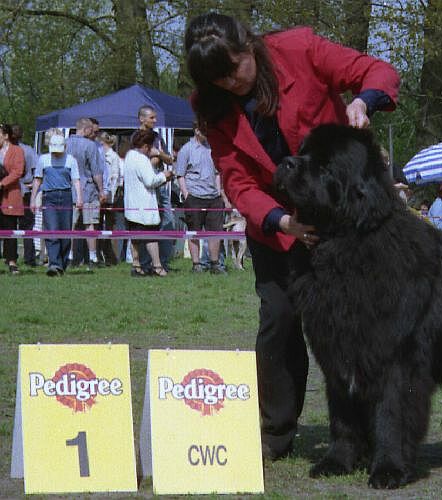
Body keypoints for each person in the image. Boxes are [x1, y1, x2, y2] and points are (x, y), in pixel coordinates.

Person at [185, 12, 399, 459]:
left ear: (249, 46)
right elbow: (237, 180)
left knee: (356, 322)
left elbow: (376, 70)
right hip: (278, 226)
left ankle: (368, 429)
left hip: (341, 217)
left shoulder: (299, 50)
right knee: (279, 317)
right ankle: (276, 431)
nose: (230, 83)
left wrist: (364, 101)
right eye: (217, 79)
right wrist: (282, 221)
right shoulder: (210, 104)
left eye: (234, 69)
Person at [176, 123, 227, 274]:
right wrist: (187, 195)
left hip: (213, 197)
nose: (207, 133)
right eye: (205, 131)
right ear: (196, 131)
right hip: (194, 197)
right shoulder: (186, 150)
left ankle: (215, 264)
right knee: (194, 232)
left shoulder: (213, 148)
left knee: (215, 232)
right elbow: (180, 175)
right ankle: (196, 264)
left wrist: (218, 192)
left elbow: (218, 173)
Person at [123, 129, 174, 277]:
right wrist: (164, 176)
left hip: (132, 205)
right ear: (146, 146)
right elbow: (150, 181)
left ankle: (137, 265)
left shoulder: (129, 156)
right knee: (151, 237)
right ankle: (157, 266)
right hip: (144, 206)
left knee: (136, 238)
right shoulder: (141, 159)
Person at [30, 134, 83, 276]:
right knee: (52, 231)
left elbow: (76, 180)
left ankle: (62, 263)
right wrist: (33, 199)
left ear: (64, 148)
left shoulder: (71, 160)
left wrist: (79, 198)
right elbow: (37, 179)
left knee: (65, 232)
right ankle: (54, 264)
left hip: (66, 196)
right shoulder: (43, 159)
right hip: (49, 197)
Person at [134, 105, 175, 271]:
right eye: (152, 118)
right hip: (143, 187)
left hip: (160, 186)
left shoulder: (158, 137)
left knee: (167, 221)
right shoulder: (134, 138)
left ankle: (162, 261)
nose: (155, 121)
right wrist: (152, 160)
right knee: (144, 223)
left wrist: (158, 154)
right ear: (142, 119)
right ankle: (144, 263)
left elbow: (169, 159)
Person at [65, 117, 104, 267]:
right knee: (90, 224)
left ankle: (69, 255)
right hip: (88, 189)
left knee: (72, 224)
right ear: (86, 129)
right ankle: (93, 257)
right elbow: (96, 171)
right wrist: (101, 190)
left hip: (69, 189)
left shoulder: (65, 143)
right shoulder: (90, 145)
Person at [0, 123, 26, 274]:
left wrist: (2, 184)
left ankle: (12, 261)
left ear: (5, 135)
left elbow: (17, 172)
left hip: (9, 195)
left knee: (9, 229)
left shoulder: (17, 151)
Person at [12, 124, 39, 266]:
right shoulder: (29, 150)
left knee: (9, 226)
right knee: (28, 227)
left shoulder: (6, 151)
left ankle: (11, 256)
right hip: (26, 192)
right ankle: (29, 258)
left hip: (10, 192)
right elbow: (37, 173)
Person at [97, 132, 121, 265]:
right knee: (99, 225)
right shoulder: (100, 154)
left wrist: (109, 195)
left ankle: (111, 256)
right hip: (102, 196)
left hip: (109, 197)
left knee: (110, 227)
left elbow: (115, 178)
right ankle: (100, 254)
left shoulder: (113, 156)